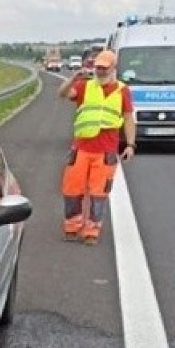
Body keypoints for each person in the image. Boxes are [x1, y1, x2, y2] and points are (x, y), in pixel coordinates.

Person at [57, 49, 136, 244]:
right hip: (81, 148)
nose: (99, 71)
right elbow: (62, 94)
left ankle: (92, 231)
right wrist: (73, 78)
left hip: (106, 151)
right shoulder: (85, 87)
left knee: (98, 194)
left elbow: (128, 119)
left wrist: (130, 144)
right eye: (97, 68)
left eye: (103, 68)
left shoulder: (122, 91)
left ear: (112, 68)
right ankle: (72, 227)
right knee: (71, 190)